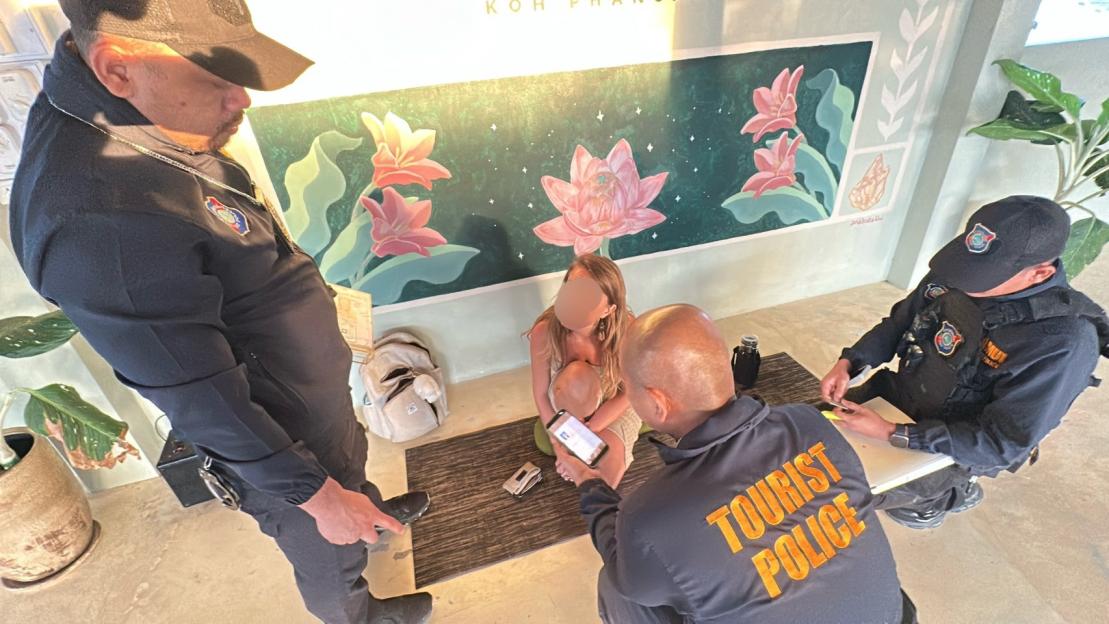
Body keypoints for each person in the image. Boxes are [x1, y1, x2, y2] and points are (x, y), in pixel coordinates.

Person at [8, 2, 432, 622]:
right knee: (324, 552)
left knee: (348, 474)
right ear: (118, 68)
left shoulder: (134, 115)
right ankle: (358, 610)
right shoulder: (99, 226)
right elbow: (203, 399)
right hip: (281, 441)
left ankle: (365, 508)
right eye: (217, 79)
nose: (242, 100)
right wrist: (318, 496)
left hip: (307, 401)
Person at [554, 304, 915, 623]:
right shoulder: (809, 421)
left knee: (618, 586)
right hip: (892, 615)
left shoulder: (650, 515)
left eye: (627, 388)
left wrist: (590, 483)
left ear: (657, 403)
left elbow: (624, 566)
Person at [822, 196, 1109, 530]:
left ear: (1039, 273)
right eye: (968, 266)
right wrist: (852, 361)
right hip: (902, 396)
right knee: (801, 435)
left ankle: (944, 496)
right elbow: (901, 321)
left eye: (982, 276)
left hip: (953, 443)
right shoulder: (960, 271)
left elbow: (1001, 444)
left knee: (839, 496)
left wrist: (894, 434)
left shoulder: (1063, 342)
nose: (962, 281)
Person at [527, 254, 642, 487]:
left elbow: (632, 389)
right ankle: (579, 461)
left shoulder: (626, 328)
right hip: (570, 398)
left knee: (610, 469)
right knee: (576, 375)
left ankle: (596, 495)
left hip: (615, 400)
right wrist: (560, 446)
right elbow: (540, 395)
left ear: (608, 309)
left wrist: (592, 429)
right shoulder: (544, 332)